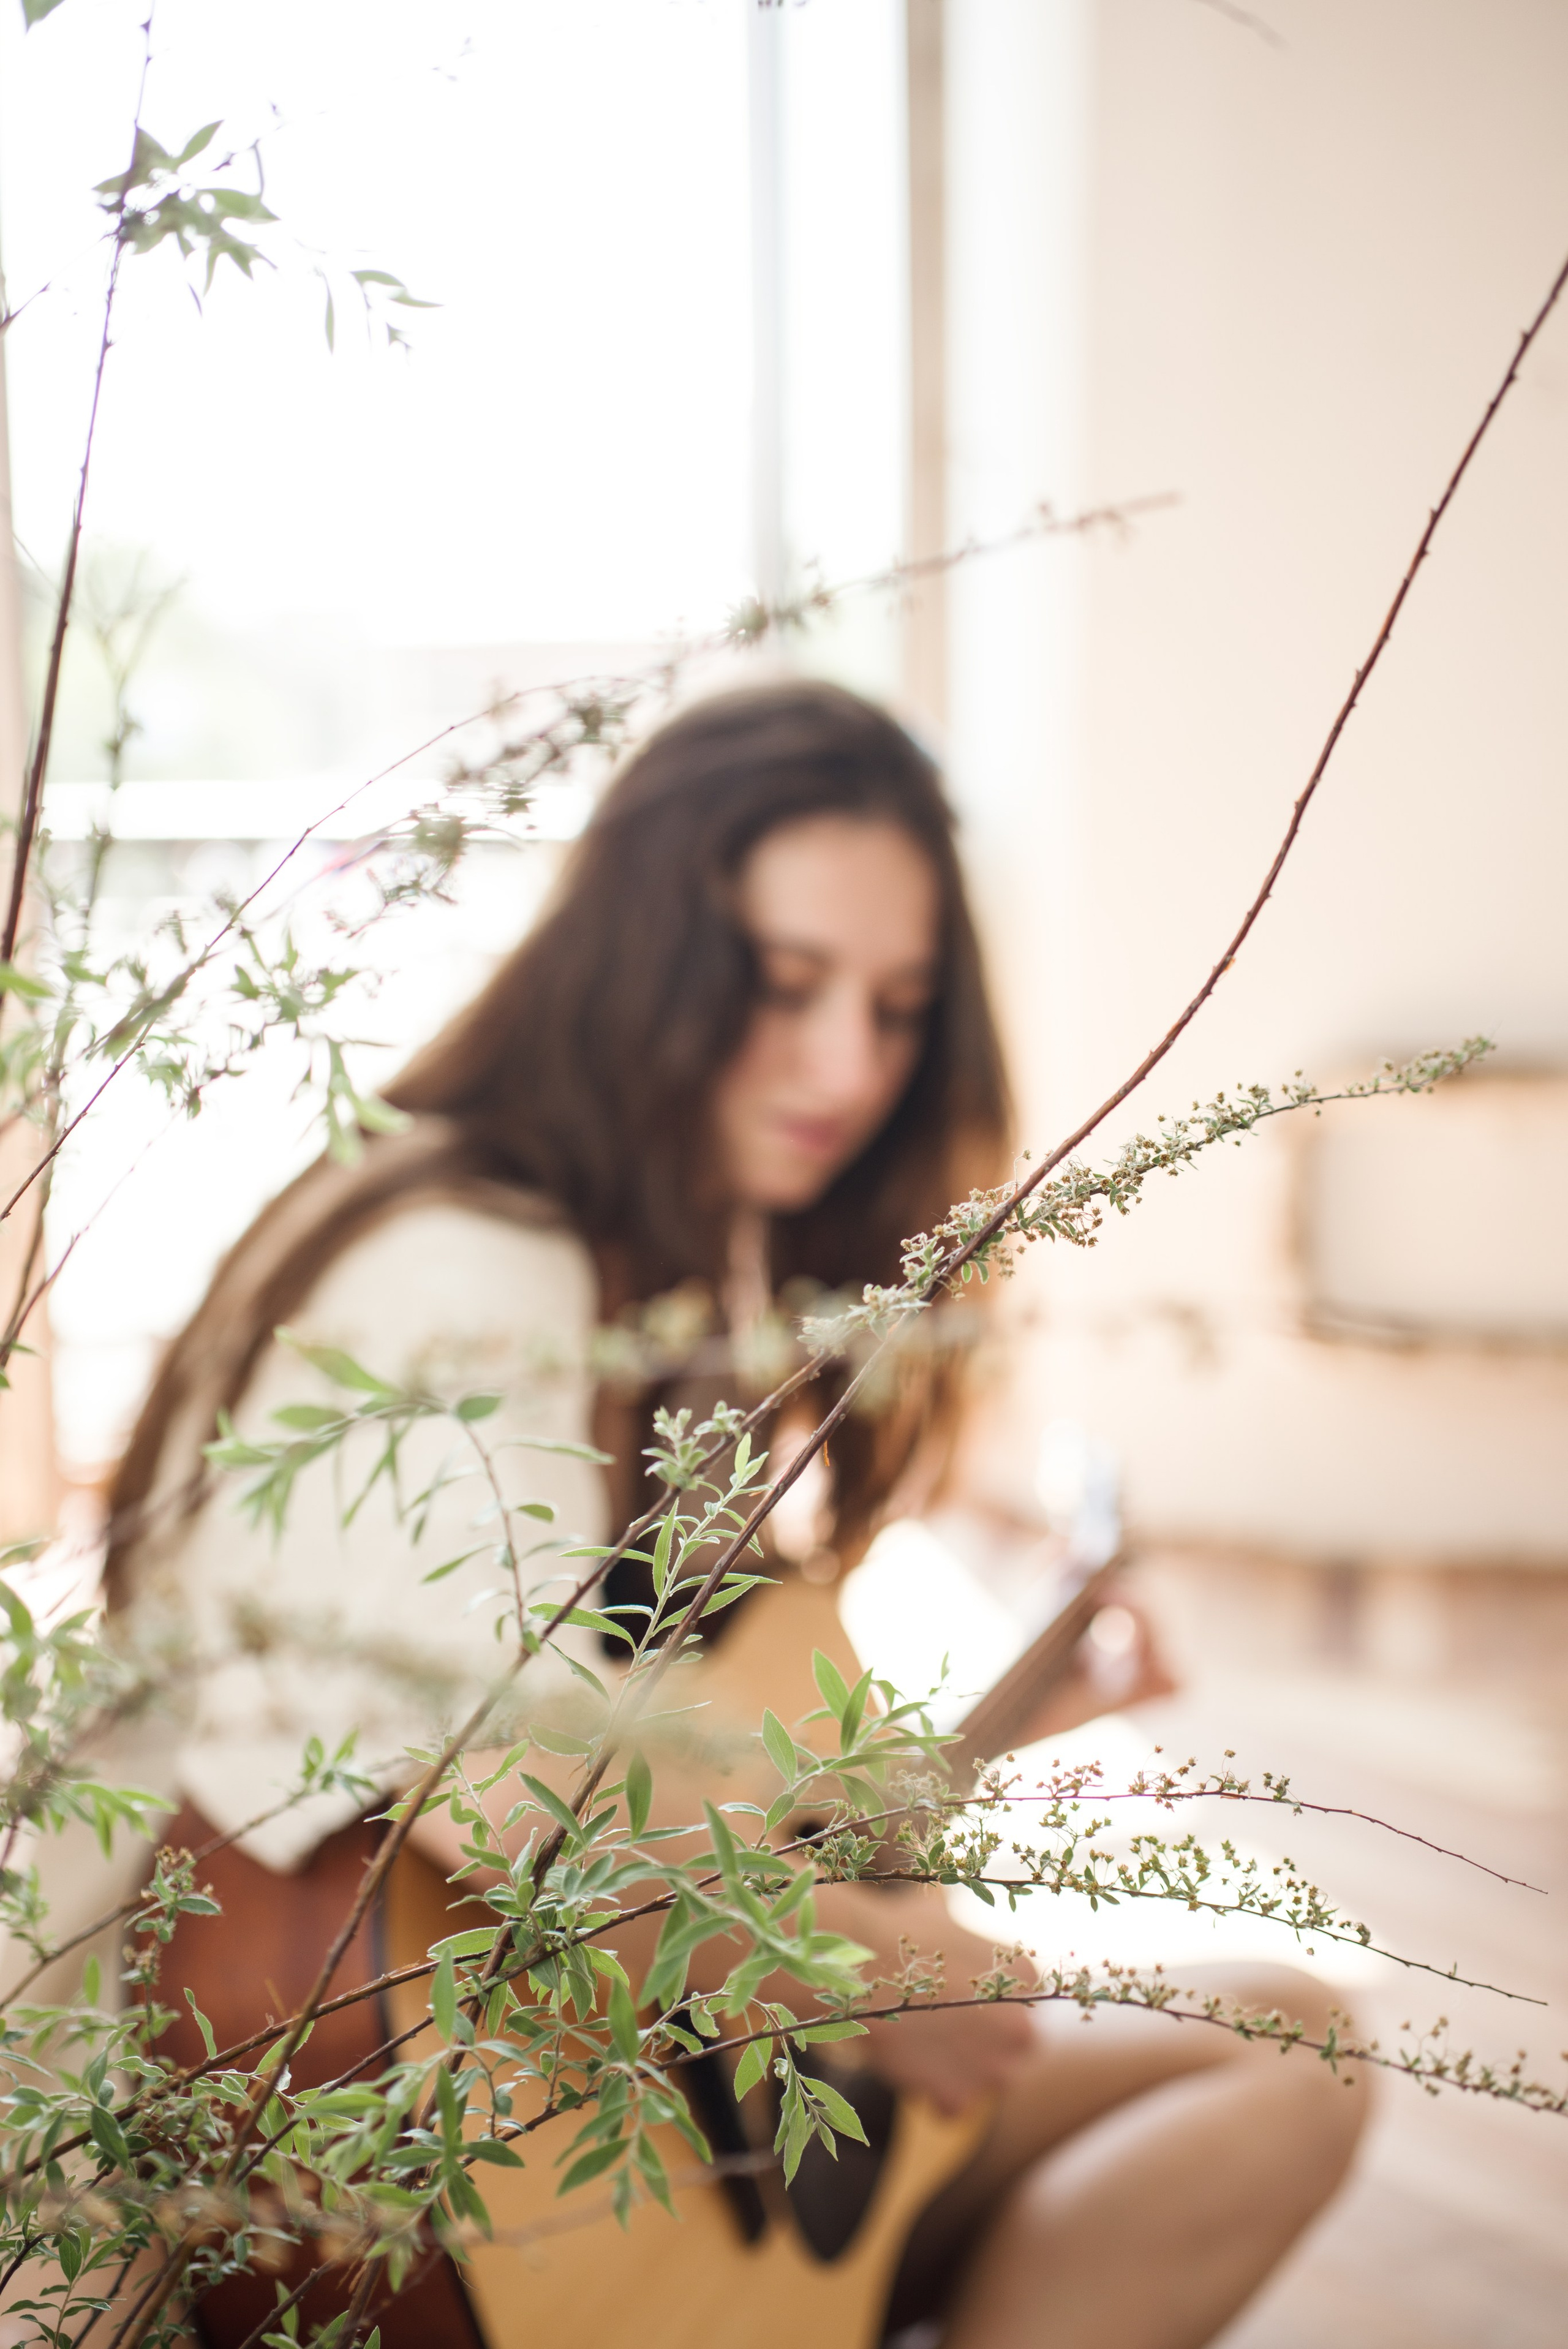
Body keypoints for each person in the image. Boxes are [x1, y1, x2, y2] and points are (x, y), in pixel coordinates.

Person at [99, 680, 1365, 2348]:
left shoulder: (657, 1257)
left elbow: (651, 1751)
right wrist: (874, 1977)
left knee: (1294, 2039)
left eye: (898, 1010)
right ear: (642, 957)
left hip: (673, 2158)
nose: (847, 1066)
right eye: (784, 985)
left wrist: (997, 1734)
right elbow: (518, 1808)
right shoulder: (466, 1261)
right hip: (454, 2177)